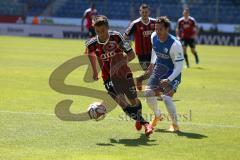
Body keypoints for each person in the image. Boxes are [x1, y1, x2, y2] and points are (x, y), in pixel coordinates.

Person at [86, 15, 154, 136]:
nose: (101, 34)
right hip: (108, 78)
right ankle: (146, 124)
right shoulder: (92, 44)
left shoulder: (117, 37)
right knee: (122, 102)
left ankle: (138, 118)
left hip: (124, 73)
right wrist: (96, 72)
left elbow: (132, 55)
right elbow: (91, 55)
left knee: (133, 101)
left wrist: (119, 64)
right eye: (97, 31)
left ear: (107, 28)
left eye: (103, 30)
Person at [144, 16, 184, 132]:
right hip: (159, 70)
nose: (157, 31)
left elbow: (179, 67)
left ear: (167, 29)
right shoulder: (153, 36)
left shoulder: (175, 45)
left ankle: (175, 125)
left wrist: (170, 79)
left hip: (173, 72)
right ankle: (157, 115)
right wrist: (152, 64)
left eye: (160, 29)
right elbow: (155, 49)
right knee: (148, 93)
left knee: (166, 98)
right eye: (156, 29)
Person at [124, 4, 156, 90]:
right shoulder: (135, 24)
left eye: (146, 12)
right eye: (143, 12)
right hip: (141, 53)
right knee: (150, 72)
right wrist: (127, 49)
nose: (144, 14)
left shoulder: (154, 22)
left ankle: (154, 90)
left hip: (154, 52)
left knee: (155, 71)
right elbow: (125, 36)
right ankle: (140, 80)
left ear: (149, 12)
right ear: (140, 12)